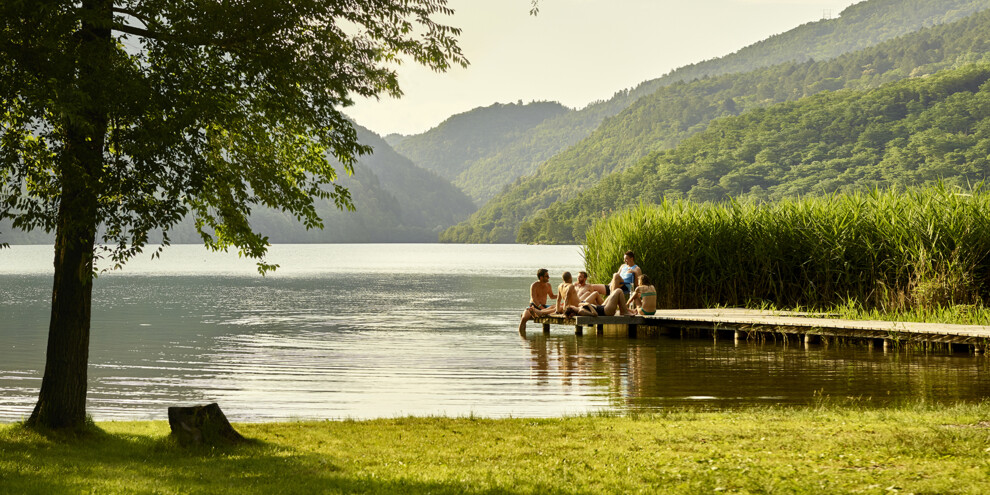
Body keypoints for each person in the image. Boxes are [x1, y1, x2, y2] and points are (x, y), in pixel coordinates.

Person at [519, 268, 556, 333]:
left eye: (548, 276)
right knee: (524, 318)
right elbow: (534, 299)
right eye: (547, 276)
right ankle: (522, 337)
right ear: (541, 277)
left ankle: (538, 314)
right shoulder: (534, 285)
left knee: (556, 308)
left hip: (544, 306)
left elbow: (552, 296)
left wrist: (561, 295)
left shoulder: (548, 285)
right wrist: (541, 308)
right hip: (533, 306)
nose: (548, 277)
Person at [566, 287, 636, 317]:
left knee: (612, 294)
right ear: (571, 309)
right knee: (618, 291)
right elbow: (595, 314)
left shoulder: (579, 307)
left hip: (603, 307)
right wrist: (588, 304)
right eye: (570, 306)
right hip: (606, 311)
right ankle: (624, 312)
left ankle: (625, 310)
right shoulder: (581, 311)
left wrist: (583, 303)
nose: (572, 305)